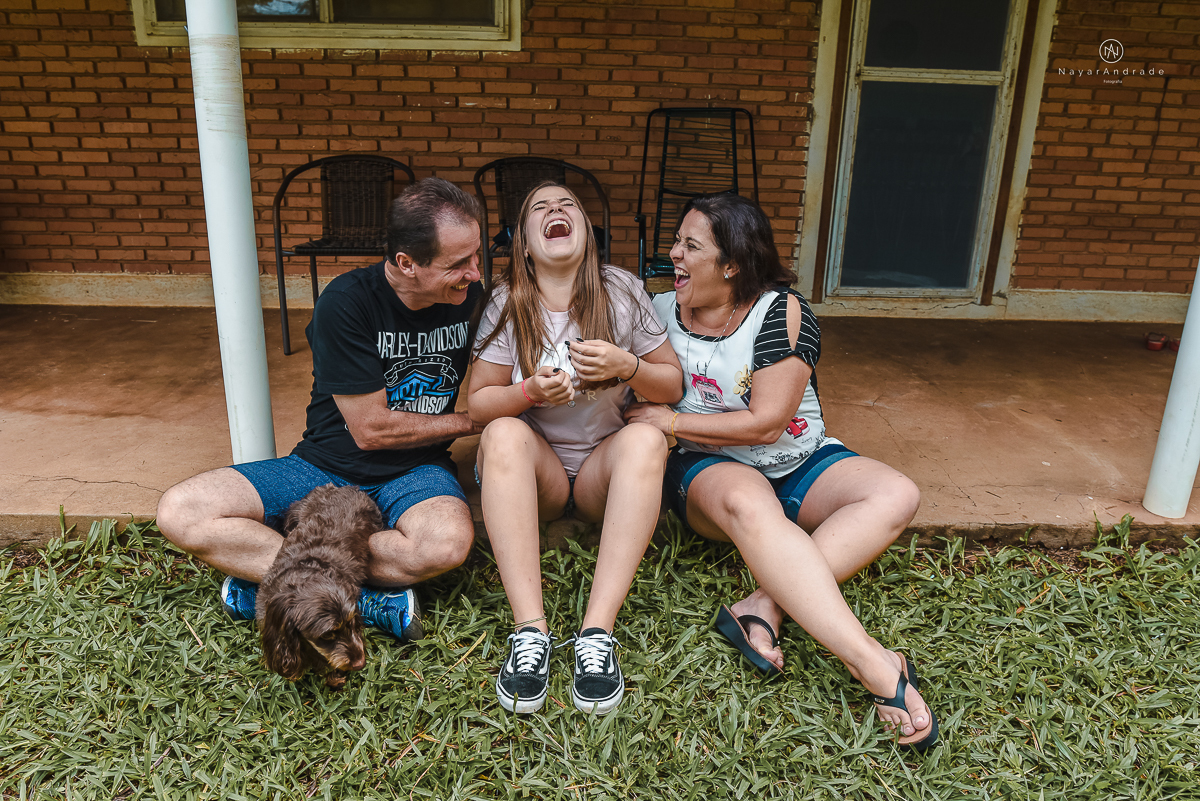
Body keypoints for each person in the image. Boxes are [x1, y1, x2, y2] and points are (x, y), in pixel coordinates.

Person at [624, 193, 937, 750]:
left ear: (733, 263)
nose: (673, 254)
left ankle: (764, 601)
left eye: (690, 246)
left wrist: (671, 420)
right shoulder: (654, 310)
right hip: (709, 466)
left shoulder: (781, 311)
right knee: (752, 504)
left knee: (896, 494)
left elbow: (768, 423)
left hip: (797, 459)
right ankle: (873, 663)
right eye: (677, 241)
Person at [156, 177, 485, 642]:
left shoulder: (468, 298)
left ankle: (279, 586)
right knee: (181, 510)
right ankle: (365, 602)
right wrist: (475, 420)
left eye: (476, 256)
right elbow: (370, 430)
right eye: (459, 263)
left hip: (417, 469)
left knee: (445, 544)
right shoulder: (347, 302)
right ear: (406, 263)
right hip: (322, 468)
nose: (475, 272)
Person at [468, 182, 683, 715]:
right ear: (523, 242)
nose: (555, 211)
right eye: (538, 206)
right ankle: (530, 634)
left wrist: (626, 366)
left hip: (599, 474)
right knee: (499, 432)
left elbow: (671, 386)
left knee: (648, 439)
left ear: (586, 233)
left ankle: (596, 635)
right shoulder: (506, 299)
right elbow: (477, 406)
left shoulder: (622, 290)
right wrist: (529, 392)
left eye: (568, 206)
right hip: (535, 471)